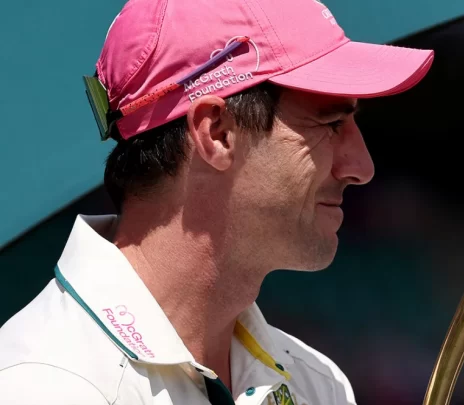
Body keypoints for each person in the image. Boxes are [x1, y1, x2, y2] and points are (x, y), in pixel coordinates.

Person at [0, 0, 433, 403]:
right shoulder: (44, 383)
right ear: (217, 133)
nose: (362, 167)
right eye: (332, 122)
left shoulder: (318, 383)